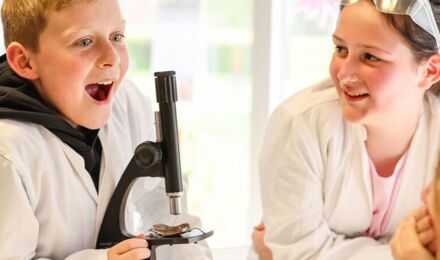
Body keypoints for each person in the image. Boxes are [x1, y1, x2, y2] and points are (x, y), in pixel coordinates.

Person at [0, 0, 212, 259]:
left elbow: (160, 201)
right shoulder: (8, 152)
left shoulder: (127, 102)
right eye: (84, 41)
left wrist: (186, 251)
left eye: (116, 36)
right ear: (24, 61)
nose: (112, 58)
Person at [259, 0, 440, 259]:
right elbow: (299, 253)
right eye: (341, 49)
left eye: (370, 57)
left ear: (430, 70)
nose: (345, 74)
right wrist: (409, 249)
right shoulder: (299, 123)